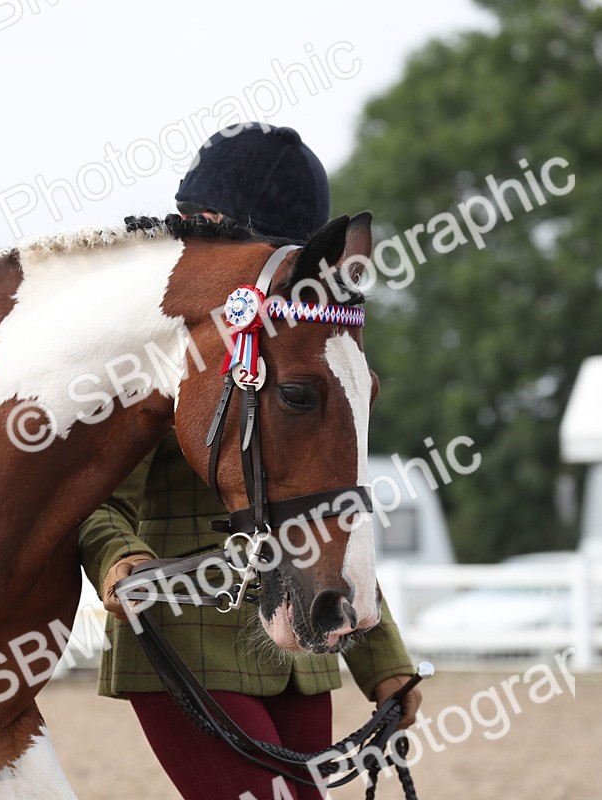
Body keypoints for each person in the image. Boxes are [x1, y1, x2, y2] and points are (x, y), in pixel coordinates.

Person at [78, 122, 421, 800]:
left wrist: (387, 663)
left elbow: (328, 507)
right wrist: (118, 562)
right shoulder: (155, 351)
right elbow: (98, 500)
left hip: (303, 656)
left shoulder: (304, 345)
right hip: (188, 638)